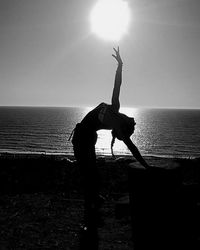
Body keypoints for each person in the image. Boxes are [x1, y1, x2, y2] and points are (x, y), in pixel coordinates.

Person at [71, 47, 150, 230]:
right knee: (90, 174)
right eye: (135, 123)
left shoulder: (116, 118)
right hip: (83, 137)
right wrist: (120, 65)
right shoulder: (116, 110)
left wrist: (145, 166)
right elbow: (117, 84)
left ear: (125, 125)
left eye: (133, 123)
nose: (135, 121)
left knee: (91, 174)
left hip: (85, 138)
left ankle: (91, 208)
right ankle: (91, 207)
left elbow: (132, 148)